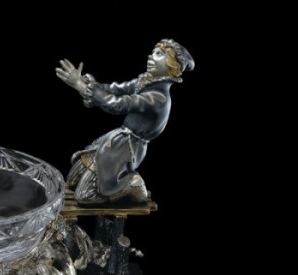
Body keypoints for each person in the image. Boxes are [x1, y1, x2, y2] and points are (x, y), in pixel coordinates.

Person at [56, 39, 195, 204]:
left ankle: (132, 184)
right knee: (72, 179)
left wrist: (80, 86)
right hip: (117, 138)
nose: (151, 56)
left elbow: (117, 104)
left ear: (173, 66)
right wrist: (83, 82)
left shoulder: (158, 97)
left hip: (128, 148)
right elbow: (114, 89)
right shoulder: (144, 83)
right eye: (153, 52)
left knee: (84, 196)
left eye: (159, 54)